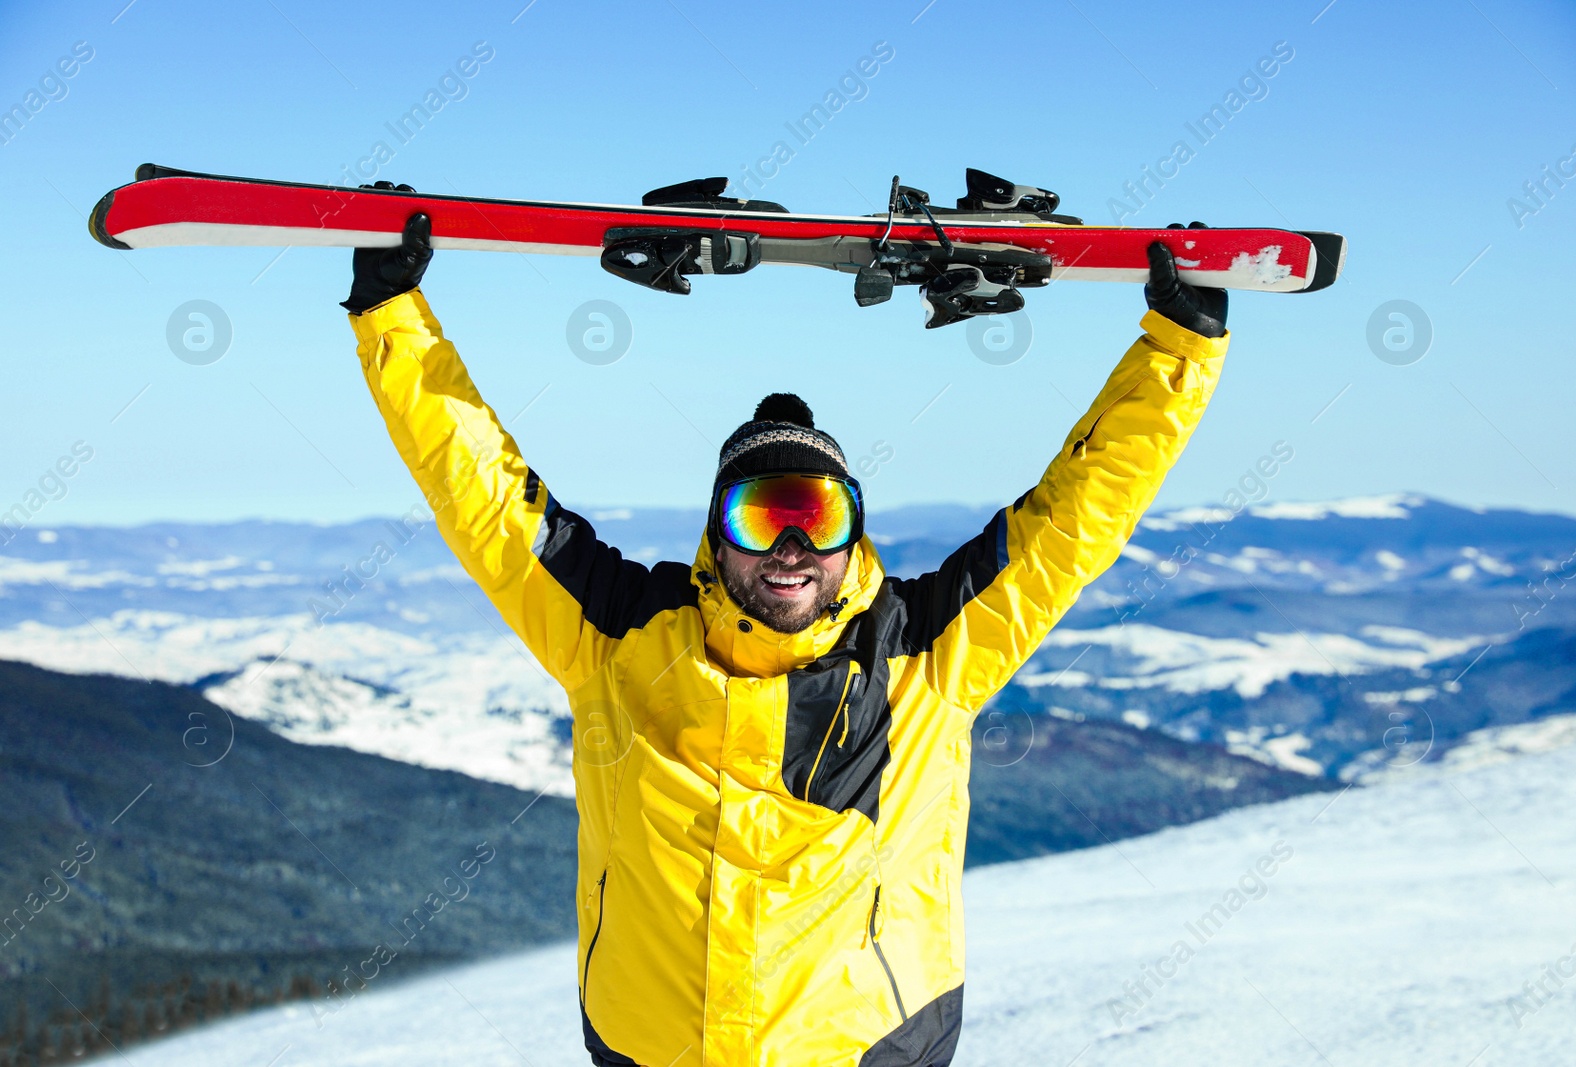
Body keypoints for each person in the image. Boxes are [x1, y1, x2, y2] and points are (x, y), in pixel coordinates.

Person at [343, 192, 1228, 1067]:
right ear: (717, 533)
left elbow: (1073, 522)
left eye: (816, 517)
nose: (792, 550)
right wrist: (394, 317)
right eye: (763, 517)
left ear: (855, 527)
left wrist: (1177, 352)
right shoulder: (617, 638)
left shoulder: (925, 652)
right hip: (652, 1050)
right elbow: (488, 502)